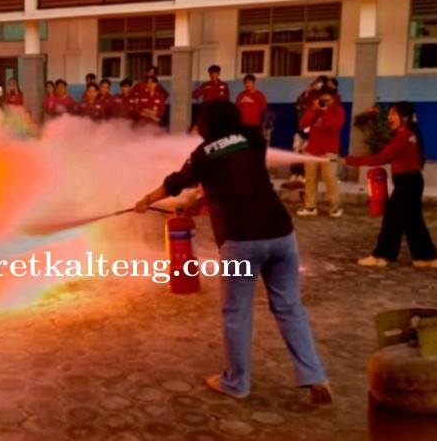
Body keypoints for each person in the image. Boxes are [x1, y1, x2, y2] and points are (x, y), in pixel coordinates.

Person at [134, 99, 332, 404]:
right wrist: (199, 202)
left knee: (236, 313)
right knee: (289, 307)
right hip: (280, 233)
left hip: (242, 240)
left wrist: (146, 199)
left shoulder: (202, 154)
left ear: (207, 123)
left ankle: (236, 382)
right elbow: (240, 178)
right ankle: (314, 374)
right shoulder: (253, 137)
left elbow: (176, 183)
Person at [341, 101, 437, 268]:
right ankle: (428, 258)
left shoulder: (404, 136)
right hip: (411, 182)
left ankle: (380, 256)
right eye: (389, 114)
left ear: (405, 117)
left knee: (392, 220)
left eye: (393, 114)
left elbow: (379, 159)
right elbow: (387, 157)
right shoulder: (408, 134)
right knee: (412, 222)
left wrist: (349, 160)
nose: (389, 117)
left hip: (407, 183)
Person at [296, 87, 345, 218]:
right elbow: (302, 124)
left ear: (333, 98)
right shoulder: (314, 109)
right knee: (310, 179)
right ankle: (310, 207)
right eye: (322, 100)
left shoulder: (338, 110)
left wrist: (326, 111)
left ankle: (335, 206)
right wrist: (313, 109)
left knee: (330, 178)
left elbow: (336, 126)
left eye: (328, 100)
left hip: (329, 150)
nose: (325, 102)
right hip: (312, 150)